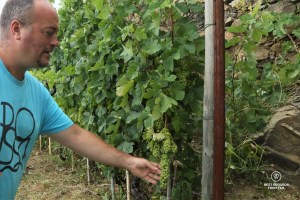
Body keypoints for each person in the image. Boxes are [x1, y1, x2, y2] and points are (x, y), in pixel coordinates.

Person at [0, 0, 161, 199]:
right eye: (48, 32)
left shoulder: (36, 93)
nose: (56, 42)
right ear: (16, 29)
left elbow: (75, 135)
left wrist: (128, 162)